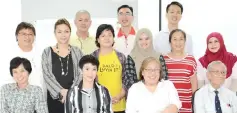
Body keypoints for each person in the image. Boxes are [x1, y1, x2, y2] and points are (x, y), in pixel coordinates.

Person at [41, 18, 83, 113]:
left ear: (70, 33)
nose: (63, 35)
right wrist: (61, 91)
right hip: (54, 98)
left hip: (74, 97)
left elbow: (81, 73)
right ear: (55, 33)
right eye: (59, 32)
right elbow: (46, 75)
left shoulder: (77, 51)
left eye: (66, 31)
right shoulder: (47, 52)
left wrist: (70, 92)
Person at [91, 24, 135, 113]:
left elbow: (127, 79)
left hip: (119, 105)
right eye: (103, 36)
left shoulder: (121, 57)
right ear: (98, 39)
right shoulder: (92, 58)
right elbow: (89, 81)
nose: (107, 38)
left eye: (109, 35)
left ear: (113, 38)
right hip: (99, 105)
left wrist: (120, 95)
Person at [1, 22, 46, 98]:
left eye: (30, 34)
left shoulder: (41, 53)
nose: (27, 37)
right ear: (17, 36)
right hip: (18, 100)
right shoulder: (8, 55)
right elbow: (6, 80)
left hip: (40, 98)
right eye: (23, 34)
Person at [163, 29, 198, 113]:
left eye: (181, 39)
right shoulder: (163, 59)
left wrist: (194, 103)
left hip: (186, 105)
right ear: (170, 42)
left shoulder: (191, 59)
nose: (178, 42)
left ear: (185, 41)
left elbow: (194, 84)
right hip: (168, 105)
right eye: (175, 39)